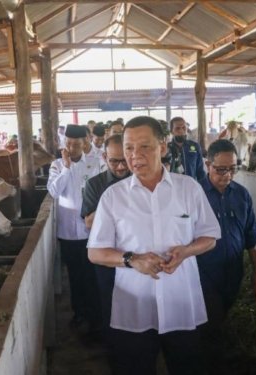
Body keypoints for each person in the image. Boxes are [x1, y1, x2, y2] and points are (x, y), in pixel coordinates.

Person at [87, 116, 221, 374]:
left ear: (162, 146)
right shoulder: (113, 197)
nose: (135, 155)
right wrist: (131, 259)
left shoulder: (188, 189)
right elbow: (95, 252)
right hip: (133, 308)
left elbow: (210, 237)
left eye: (144, 146)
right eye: (128, 147)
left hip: (181, 303)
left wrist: (186, 251)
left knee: (187, 367)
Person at [197, 139, 256, 374]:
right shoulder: (194, 195)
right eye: (221, 169)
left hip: (233, 274)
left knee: (220, 318)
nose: (227, 175)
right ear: (207, 165)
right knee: (210, 326)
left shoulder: (242, 195)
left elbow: (252, 238)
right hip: (203, 274)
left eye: (233, 168)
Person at [47, 125, 103, 334]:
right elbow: (54, 191)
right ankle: (79, 313)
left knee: (91, 275)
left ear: (85, 143)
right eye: (68, 143)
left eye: (76, 144)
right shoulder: (57, 165)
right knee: (74, 276)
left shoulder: (96, 163)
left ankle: (95, 315)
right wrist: (67, 168)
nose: (71, 147)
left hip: (92, 231)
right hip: (69, 233)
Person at [80, 134, 131, 337]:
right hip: (107, 254)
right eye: (114, 161)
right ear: (104, 157)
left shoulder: (141, 182)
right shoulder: (95, 184)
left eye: (124, 161)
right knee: (109, 301)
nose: (120, 167)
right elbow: (89, 222)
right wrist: (112, 201)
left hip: (137, 251)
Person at [167, 116, 205, 182]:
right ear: (171, 131)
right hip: (172, 187)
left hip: (191, 187)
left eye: (184, 128)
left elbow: (200, 171)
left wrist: (204, 187)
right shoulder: (167, 148)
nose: (181, 131)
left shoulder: (195, 146)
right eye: (177, 128)